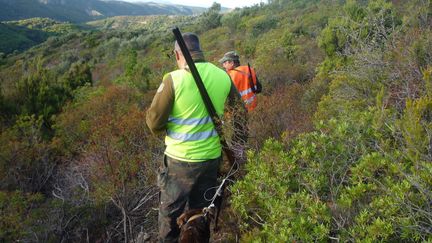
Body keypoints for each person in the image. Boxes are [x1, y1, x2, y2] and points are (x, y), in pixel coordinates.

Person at [146, 33, 246, 243]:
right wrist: (238, 145)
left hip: (179, 163)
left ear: (177, 54)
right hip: (211, 160)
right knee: (201, 217)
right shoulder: (222, 76)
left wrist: (166, 128)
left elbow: (154, 122)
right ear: (200, 51)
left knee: (170, 219)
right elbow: (240, 114)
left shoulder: (173, 79)